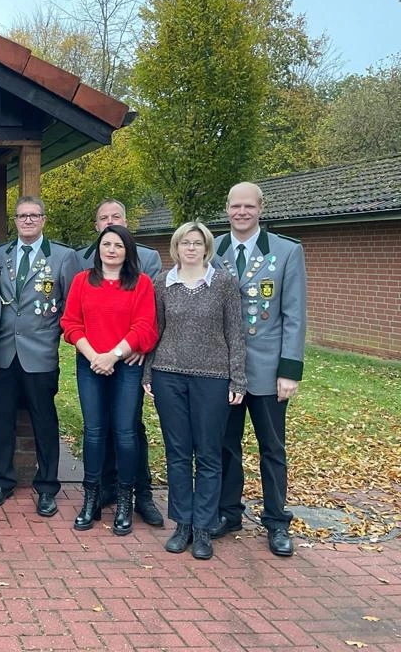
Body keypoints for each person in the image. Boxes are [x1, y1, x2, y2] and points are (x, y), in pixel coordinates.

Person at [212, 182, 307, 557]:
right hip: (221, 369)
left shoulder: (286, 251)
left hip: (268, 370)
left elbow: (294, 315)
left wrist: (290, 370)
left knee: (272, 447)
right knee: (224, 445)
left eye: (248, 206)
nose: (241, 212)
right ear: (227, 208)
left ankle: (276, 521)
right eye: (235, 206)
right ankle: (228, 512)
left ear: (261, 208)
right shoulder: (211, 248)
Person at [142, 222, 246, 560]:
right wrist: (147, 372)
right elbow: (154, 331)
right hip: (168, 375)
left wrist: (237, 379)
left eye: (197, 243)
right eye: (184, 242)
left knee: (209, 454)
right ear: (176, 247)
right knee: (177, 452)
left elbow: (236, 334)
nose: (190, 248)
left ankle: (204, 526)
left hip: (212, 378)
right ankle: (182, 523)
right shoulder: (162, 284)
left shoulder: (224, 283)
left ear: (206, 248)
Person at [61, 224, 158, 535]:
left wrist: (113, 355)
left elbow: (145, 326)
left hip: (125, 365)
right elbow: (71, 323)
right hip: (90, 363)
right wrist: (94, 357)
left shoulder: (140, 284)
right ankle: (91, 498)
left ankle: (125, 501)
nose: (112, 250)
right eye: (106, 244)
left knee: (126, 432)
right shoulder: (81, 281)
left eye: (118, 245)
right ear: (98, 249)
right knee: (94, 431)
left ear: (127, 250)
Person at [0, 196, 78, 517]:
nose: (27, 221)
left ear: (43, 219)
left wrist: (57, 335)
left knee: (44, 420)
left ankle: (48, 486)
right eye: (21, 216)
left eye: (33, 215)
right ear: (15, 220)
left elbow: (71, 305)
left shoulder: (64, 257)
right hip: (3, 353)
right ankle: (2, 481)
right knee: (2, 420)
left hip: (39, 354)